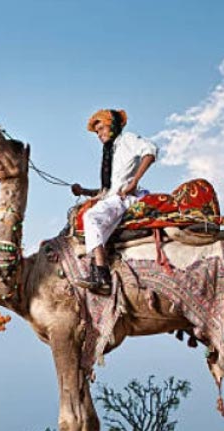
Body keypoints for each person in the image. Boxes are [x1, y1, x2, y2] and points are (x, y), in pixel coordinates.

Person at [71, 108, 158, 295]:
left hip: (125, 198)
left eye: (102, 128)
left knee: (91, 217)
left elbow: (151, 151)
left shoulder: (127, 140)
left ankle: (102, 274)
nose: (99, 134)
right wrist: (83, 191)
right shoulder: (111, 152)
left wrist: (134, 182)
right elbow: (107, 191)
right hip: (114, 197)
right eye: (97, 131)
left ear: (113, 126)